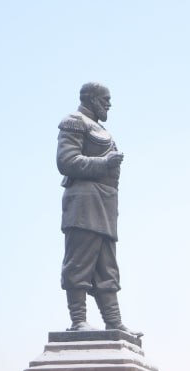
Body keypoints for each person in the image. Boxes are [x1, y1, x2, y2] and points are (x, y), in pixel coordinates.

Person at [58, 83, 129, 332]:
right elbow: (67, 162)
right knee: (79, 263)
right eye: (105, 99)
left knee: (106, 267)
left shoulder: (102, 130)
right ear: (91, 99)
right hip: (83, 203)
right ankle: (78, 321)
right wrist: (104, 162)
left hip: (106, 205)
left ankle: (113, 322)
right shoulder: (74, 122)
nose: (109, 104)